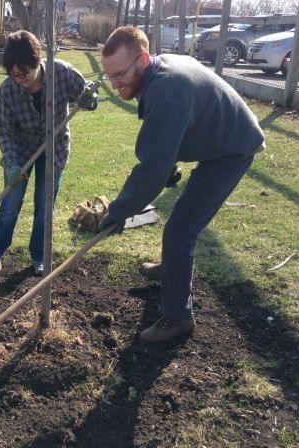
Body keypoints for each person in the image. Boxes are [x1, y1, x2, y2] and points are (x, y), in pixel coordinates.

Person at [99, 27, 265, 342]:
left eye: (120, 73)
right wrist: (167, 165)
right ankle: (171, 270)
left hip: (232, 149)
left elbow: (151, 170)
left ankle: (177, 318)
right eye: (110, 77)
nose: (116, 82)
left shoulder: (167, 89)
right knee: (178, 229)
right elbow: (174, 132)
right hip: (218, 137)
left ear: (143, 59)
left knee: (181, 230)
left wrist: (118, 210)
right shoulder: (159, 73)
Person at [0, 30, 97, 276]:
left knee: (44, 206)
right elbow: (3, 130)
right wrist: (11, 165)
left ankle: (39, 255)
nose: (19, 79)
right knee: (11, 203)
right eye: (13, 74)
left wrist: (89, 99)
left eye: (23, 73)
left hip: (55, 148)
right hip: (21, 150)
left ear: (37, 62)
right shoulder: (8, 90)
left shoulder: (62, 73)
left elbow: (88, 94)